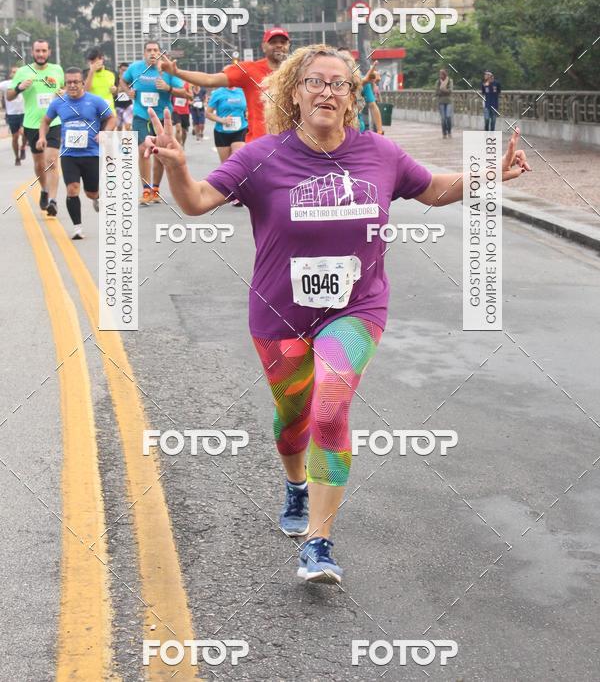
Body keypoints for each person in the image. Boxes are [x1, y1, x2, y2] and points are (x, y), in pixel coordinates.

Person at [141, 44, 531, 584]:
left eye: (339, 84)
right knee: (292, 420)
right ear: (292, 93)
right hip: (279, 312)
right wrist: (178, 169)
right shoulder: (260, 156)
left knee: (329, 408)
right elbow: (197, 201)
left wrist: (493, 173)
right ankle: (296, 483)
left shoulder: (380, 153)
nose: (327, 91)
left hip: (356, 306)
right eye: (315, 82)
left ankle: (318, 542)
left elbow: (436, 190)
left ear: (352, 97)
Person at [159, 27, 291, 142]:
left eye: (283, 42)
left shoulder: (299, 71)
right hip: (260, 145)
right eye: (273, 42)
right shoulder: (249, 70)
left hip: (292, 147)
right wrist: (176, 72)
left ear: (288, 45)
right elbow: (209, 80)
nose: (279, 45)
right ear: (263, 46)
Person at [38, 67, 117, 239]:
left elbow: (111, 118)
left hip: (91, 153)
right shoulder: (59, 102)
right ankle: (77, 228)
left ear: (82, 83)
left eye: (76, 82)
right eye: (69, 82)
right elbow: (45, 121)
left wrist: (105, 133)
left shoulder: (95, 101)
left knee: (91, 192)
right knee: (72, 189)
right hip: (69, 155)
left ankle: (96, 197)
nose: (72, 85)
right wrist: (42, 136)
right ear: (65, 84)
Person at [120, 41, 184, 205]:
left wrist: (168, 88)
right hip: (141, 116)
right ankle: (146, 190)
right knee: (143, 149)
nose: (152, 53)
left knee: (159, 154)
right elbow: (123, 80)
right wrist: (128, 91)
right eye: (149, 50)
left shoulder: (166, 70)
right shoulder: (135, 68)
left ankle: (155, 189)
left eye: (155, 50)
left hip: (162, 118)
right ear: (144, 53)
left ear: (160, 53)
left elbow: (185, 92)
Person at [7, 39, 64, 215]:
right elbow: (8, 96)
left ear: (49, 52)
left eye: (43, 51)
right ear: (32, 52)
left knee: (52, 161)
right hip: (32, 124)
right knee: (39, 164)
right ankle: (45, 190)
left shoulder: (57, 70)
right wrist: (18, 87)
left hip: (53, 122)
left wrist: (63, 93)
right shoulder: (23, 72)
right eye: (37, 51)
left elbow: (63, 90)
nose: (40, 54)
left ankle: (53, 201)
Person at [338, 49, 383, 135]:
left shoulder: (363, 80)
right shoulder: (329, 81)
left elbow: (373, 106)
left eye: (347, 59)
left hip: (357, 130)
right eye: (340, 59)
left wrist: (380, 131)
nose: (344, 62)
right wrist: (363, 81)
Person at [205, 86, 248, 163]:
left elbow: (247, 108)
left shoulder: (242, 91)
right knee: (226, 164)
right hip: (222, 132)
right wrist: (222, 120)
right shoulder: (217, 93)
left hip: (240, 130)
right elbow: (208, 113)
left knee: (237, 159)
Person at [0, 67, 27, 165]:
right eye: (13, 72)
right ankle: (17, 157)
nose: (15, 74)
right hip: (12, 114)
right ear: (11, 74)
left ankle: (23, 147)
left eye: (17, 72)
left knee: (24, 133)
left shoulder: (25, 83)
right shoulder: (6, 84)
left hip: (24, 113)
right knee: (15, 137)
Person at [85, 48, 117, 116]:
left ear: (101, 59)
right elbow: (85, 91)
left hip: (109, 112)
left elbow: (115, 93)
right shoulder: (85, 74)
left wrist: (114, 90)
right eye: (91, 63)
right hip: (93, 112)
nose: (93, 65)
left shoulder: (111, 74)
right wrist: (91, 72)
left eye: (95, 62)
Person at [171, 81, 194, 147]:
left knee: (184, 131)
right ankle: (177, 147)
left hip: (185, 111)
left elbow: (192, 97)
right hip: (175, 110)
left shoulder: (187, 84)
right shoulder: (173, 83)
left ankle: (183, 144)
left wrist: (184, 94)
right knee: (178, 129)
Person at [115, 62, 133, 131]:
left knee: (128, 126)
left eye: (126, 70)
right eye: (123, 70)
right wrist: (118, 89)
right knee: (119, 127)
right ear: (119, 69)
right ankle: (120, 142)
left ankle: (128, 142)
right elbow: (113, 91)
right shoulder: (114, 79)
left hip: (128, 104)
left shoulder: (130, 79)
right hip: (117, 105)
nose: (124, 72)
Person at [436, 68, 453, 138]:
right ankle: (444, 133)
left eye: (442, 74)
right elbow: (436, 92)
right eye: (440, 74)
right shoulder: (438, 82)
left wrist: (442, 89)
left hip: (448, 101)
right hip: (441, 102)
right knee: (443, 118)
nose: (440, 75)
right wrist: (444, 90)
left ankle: (449, 132)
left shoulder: (450, 81)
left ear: (445, 74)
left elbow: (450, 91)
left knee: (448, 117)